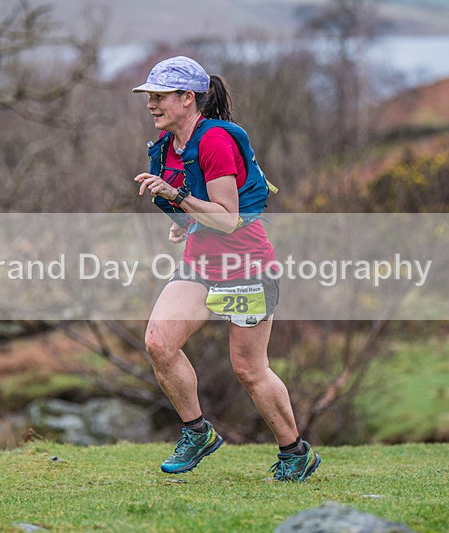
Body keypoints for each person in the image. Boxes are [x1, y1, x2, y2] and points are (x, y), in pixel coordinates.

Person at [132, 56, 321, 482]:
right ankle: (197, 432)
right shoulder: (169, 146)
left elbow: (228, 217)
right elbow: (201, 208)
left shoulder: (215, 140)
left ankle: (295, 452)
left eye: (159, 96)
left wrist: (177, 197)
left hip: (246, 268)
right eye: (149, 96)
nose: (151, 104)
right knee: (159, 342)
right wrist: (185, 222)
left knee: (249, 369)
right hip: (200, 266)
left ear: (187, 98)